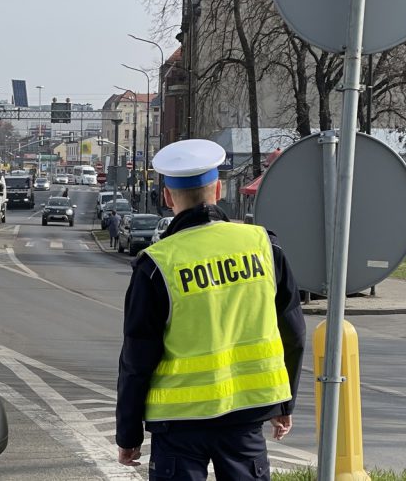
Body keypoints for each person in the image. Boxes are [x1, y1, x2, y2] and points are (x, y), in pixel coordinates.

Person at [116, 139, 306, 480]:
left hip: (178, 424)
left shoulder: (157, 265)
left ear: (167, 197)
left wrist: (128, 435)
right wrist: (284, 403)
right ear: (218, 189)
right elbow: (292, 333)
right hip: (246, 416)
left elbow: (136, 359)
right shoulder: (265, 247)